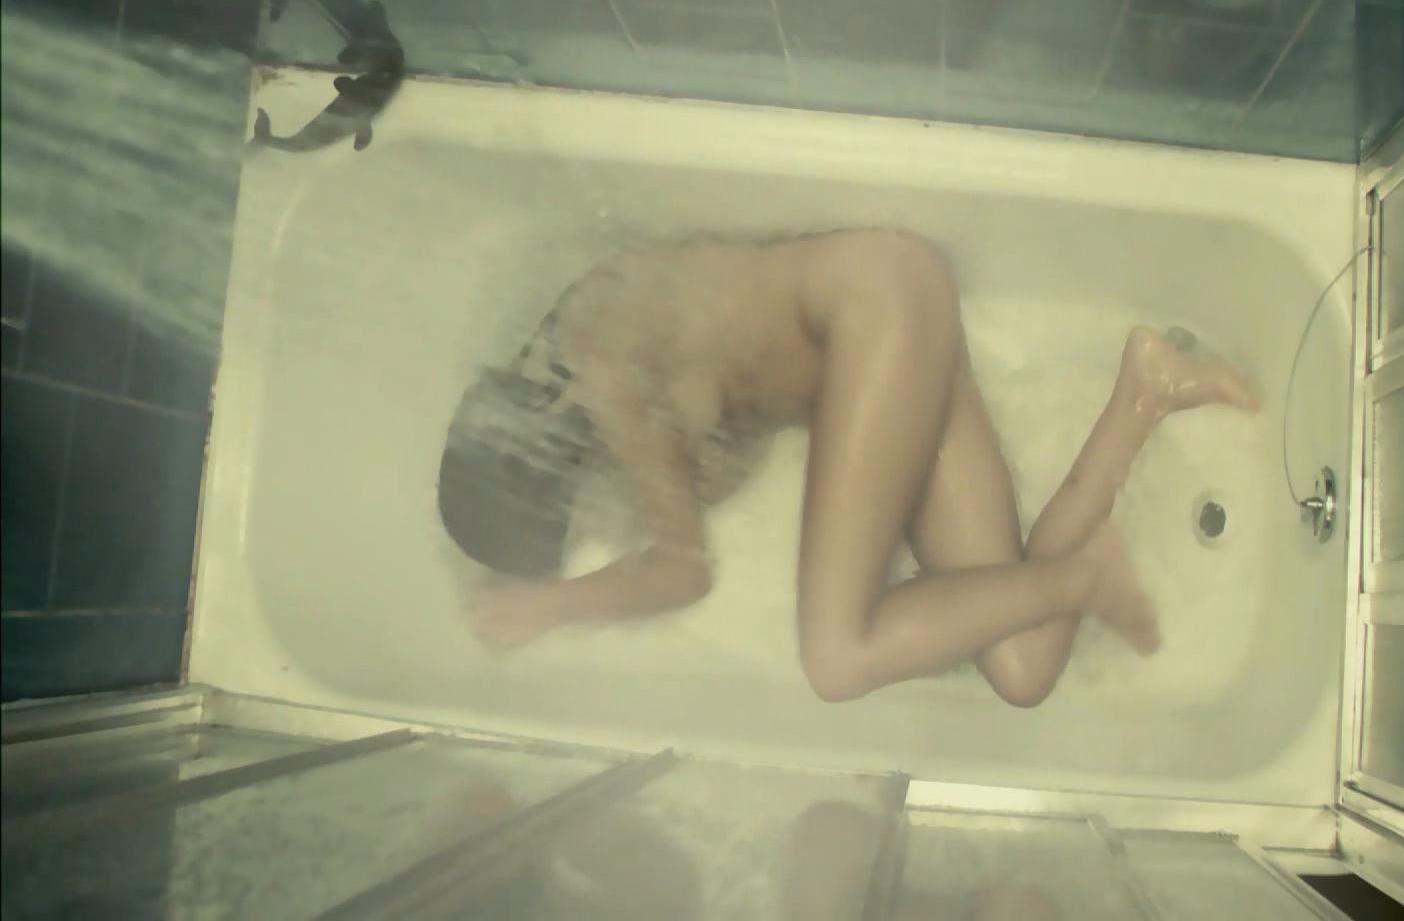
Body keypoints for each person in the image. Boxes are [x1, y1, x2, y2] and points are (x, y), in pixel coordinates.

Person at [437, 230, 1258, 706]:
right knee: (1023, 667)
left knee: (837, 659)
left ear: (542, 466)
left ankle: (1085, 579)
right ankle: (1147, 393)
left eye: (574, 511)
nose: (593, 509)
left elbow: (684, 570)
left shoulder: (598, 365)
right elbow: (724, 437)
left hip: (872, 314)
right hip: (881, 361)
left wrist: (551, 606)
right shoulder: (573, 360)